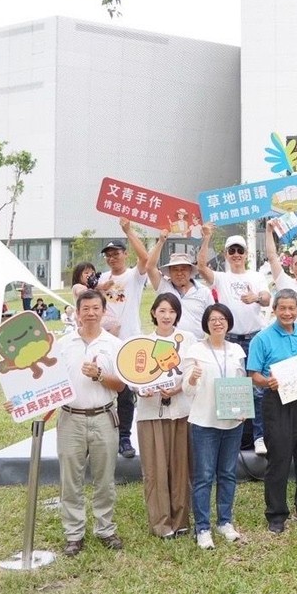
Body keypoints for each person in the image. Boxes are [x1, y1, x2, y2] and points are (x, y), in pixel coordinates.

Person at [52, 289, 124, 556]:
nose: (91, 313)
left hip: (104, 416)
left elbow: (121, 386)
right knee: (70, 479)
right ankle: (74, 534)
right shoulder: (63, 344)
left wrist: (99, 374)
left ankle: (105, 529)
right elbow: (47, 381)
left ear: (104, 311)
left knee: (104, 479)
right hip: (70, 417)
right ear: (78, 312)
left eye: (96, 308)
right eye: (86, 309)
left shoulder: (114, 344)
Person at [247, 288, 297, 533]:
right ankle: (276, 515)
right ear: (274, 310)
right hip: (276, 402)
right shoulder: (262, 338)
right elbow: (253, 374)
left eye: (292, 308)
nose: (287, 313)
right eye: (283, 308)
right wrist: (267, 381)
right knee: (279, 459)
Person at [198, 224, 272, 455]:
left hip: (254, 338)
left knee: (257, 389)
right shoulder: (221, 277)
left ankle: (259, 437)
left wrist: (256, 297)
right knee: (231, 387)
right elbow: (201, 266)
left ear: (246, 254)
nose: (236, 255)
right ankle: (233, 437)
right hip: (229, 339)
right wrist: (207, 238)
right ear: (226, 254)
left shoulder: (256, 276)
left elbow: (268, 298)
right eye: (232, 251)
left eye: (240, 250)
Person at [181, 303, 247, 549]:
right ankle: (202, 527)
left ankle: (225, 522)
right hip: (205, 421)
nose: (218, 323)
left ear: (228, 322)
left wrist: (244, 408)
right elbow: (187, 390)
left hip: (232, 422)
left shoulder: (237, 350)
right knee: (204, 476)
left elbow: (241, 382)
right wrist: (192, 378)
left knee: (228, 474)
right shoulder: (195, 350)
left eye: (222, 319)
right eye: (213, 319)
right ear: (206, 324)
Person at [135, 293, 192, 538]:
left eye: (172, 311)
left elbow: (193, 372)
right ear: (153, 313)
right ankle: (161, 523)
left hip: (182, 411)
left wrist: (179, 387)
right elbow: (134, 376)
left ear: (177, 314)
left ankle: (181, 520)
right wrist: (141, 388)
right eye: (162, 311)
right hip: (151, 413)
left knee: (181, 468)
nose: (167, 316)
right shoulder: (142, 343)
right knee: (155, 469)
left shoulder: (188, 339)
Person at [98, 219, 151, 460]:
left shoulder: (133, 276)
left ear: (125, 254)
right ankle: (103, 438)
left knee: (126, 393)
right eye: (108, 255)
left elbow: (145, 259)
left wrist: (129, 231)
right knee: (104, 388)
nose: (112, 258)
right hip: (106, 341)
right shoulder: (102, 278)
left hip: (129, 341)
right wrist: (101, 288)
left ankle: (124, 438)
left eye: (116, 253)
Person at [146, 229, 213, 335]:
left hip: (195, 342)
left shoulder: (204, 292)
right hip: (168, 342)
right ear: (169, 272)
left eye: (183, 269)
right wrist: (161, 241)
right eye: (175, 269)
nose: (179, 273)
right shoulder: (163, 287)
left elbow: (212, 318)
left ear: (190, 270)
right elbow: (150, 267)